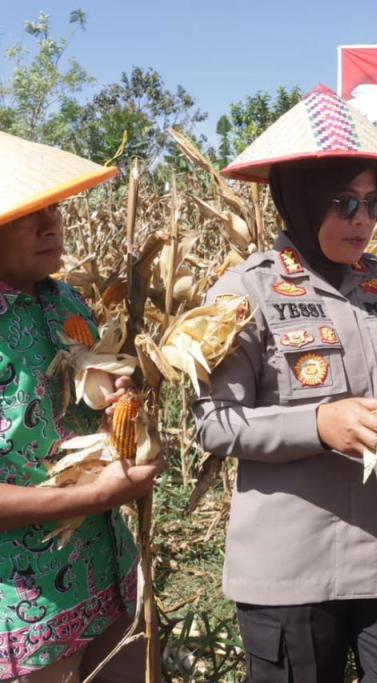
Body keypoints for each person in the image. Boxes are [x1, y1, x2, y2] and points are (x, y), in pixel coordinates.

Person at [194, 85, 377, 683]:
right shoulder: (244, 294)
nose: (363, 219)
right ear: (302, 199)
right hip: (293, 568)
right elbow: (213, 420)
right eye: (345, 202)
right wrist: (319, 424)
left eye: (375, 204)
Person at [0, 132, 162, 682]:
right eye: (29, 215)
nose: (53, 225)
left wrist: (113, 403)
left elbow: (80, 400)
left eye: (55, 210)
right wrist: (96, 493)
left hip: (107, 572)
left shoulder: (64, 299)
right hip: (23, 611)